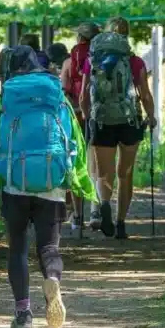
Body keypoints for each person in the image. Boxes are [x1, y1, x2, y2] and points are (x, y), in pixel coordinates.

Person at [0, 45, 96, 328]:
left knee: (18, 249)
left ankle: (23, 314)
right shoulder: (57, 97)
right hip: (51, 185)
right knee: (48, 246)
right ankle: (53, 281)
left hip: (14, 184)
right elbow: (76, 146)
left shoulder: (2, 101)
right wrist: (83, 184)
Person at [79, 17, 157, 239]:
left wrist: (88, 116)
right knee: (126, 173)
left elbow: (84, 95)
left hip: (102, 120)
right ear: (126, 36)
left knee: (104, 172)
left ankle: (104, 204)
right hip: (129, 120)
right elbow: (145, 94)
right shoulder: (136, 62)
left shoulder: (91, 60)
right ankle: (121, 223)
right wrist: (151, 116)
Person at [60, 22, 99, 231]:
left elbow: (64, 90)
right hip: (97, 116)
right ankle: (95, 209)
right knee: (95, 165)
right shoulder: (100, 59)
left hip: (74, 116)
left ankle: (77, 214)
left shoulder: (69, 62)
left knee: (75, 163)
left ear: (79, 38)